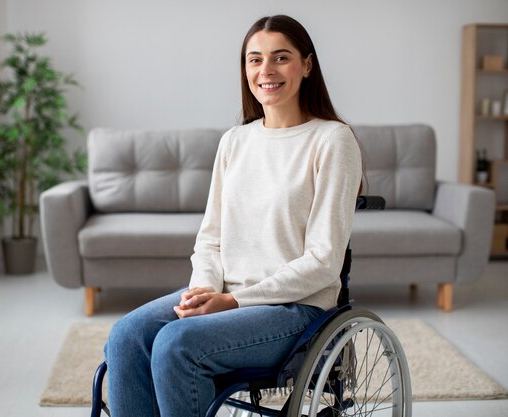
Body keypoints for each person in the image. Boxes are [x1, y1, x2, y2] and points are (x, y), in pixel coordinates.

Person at [104, 14, 363, 417]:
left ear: (307, 65)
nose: (266, 71)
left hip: (294, 308)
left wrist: (233, 301)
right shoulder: (235, 141)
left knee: (176, 345)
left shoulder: (332, 140)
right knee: (126, 335)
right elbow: (210, 239)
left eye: (281, 58)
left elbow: (324, 262)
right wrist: (204, 291)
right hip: (227, 293)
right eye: (254, 59)